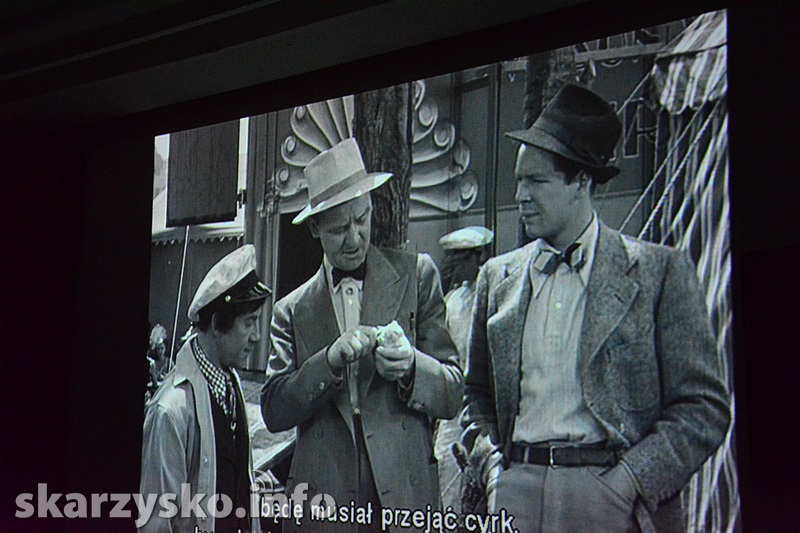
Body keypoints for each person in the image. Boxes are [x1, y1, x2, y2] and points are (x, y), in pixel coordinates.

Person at [461, 84, 730, 533]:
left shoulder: (659, 274)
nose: (521, 195)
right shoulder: (496, 277)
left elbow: (704, 407)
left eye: (537, 181)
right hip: (514, 491)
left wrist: (629, 481)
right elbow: (476, 395)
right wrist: (492, 468)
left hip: (609, 497)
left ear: (581, 182)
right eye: (519, 180)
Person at [261, 138, 463, 532]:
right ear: (315, 228)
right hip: (324, 498)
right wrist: (327, 362)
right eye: (339, 229)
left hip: (404, 491)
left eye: (362, 219)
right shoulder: (291, 310)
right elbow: (273, 412)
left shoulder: (416, 276)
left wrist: (411, 367)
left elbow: (453, 393)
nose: (354, 238)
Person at [139, 245, 271, 532]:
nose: (257, 336)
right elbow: (156, 522)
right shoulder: (170, 411)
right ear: (216, 323)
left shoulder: (231, 383)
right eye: (249, 323)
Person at [433, 226, 494, 512]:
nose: (453, 265)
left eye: (459, 258)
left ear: (477, 256)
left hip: (485, 405)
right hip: (454, 405)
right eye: (451, 258)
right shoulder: (452, 301)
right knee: (447, 468)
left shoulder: (495, 295)